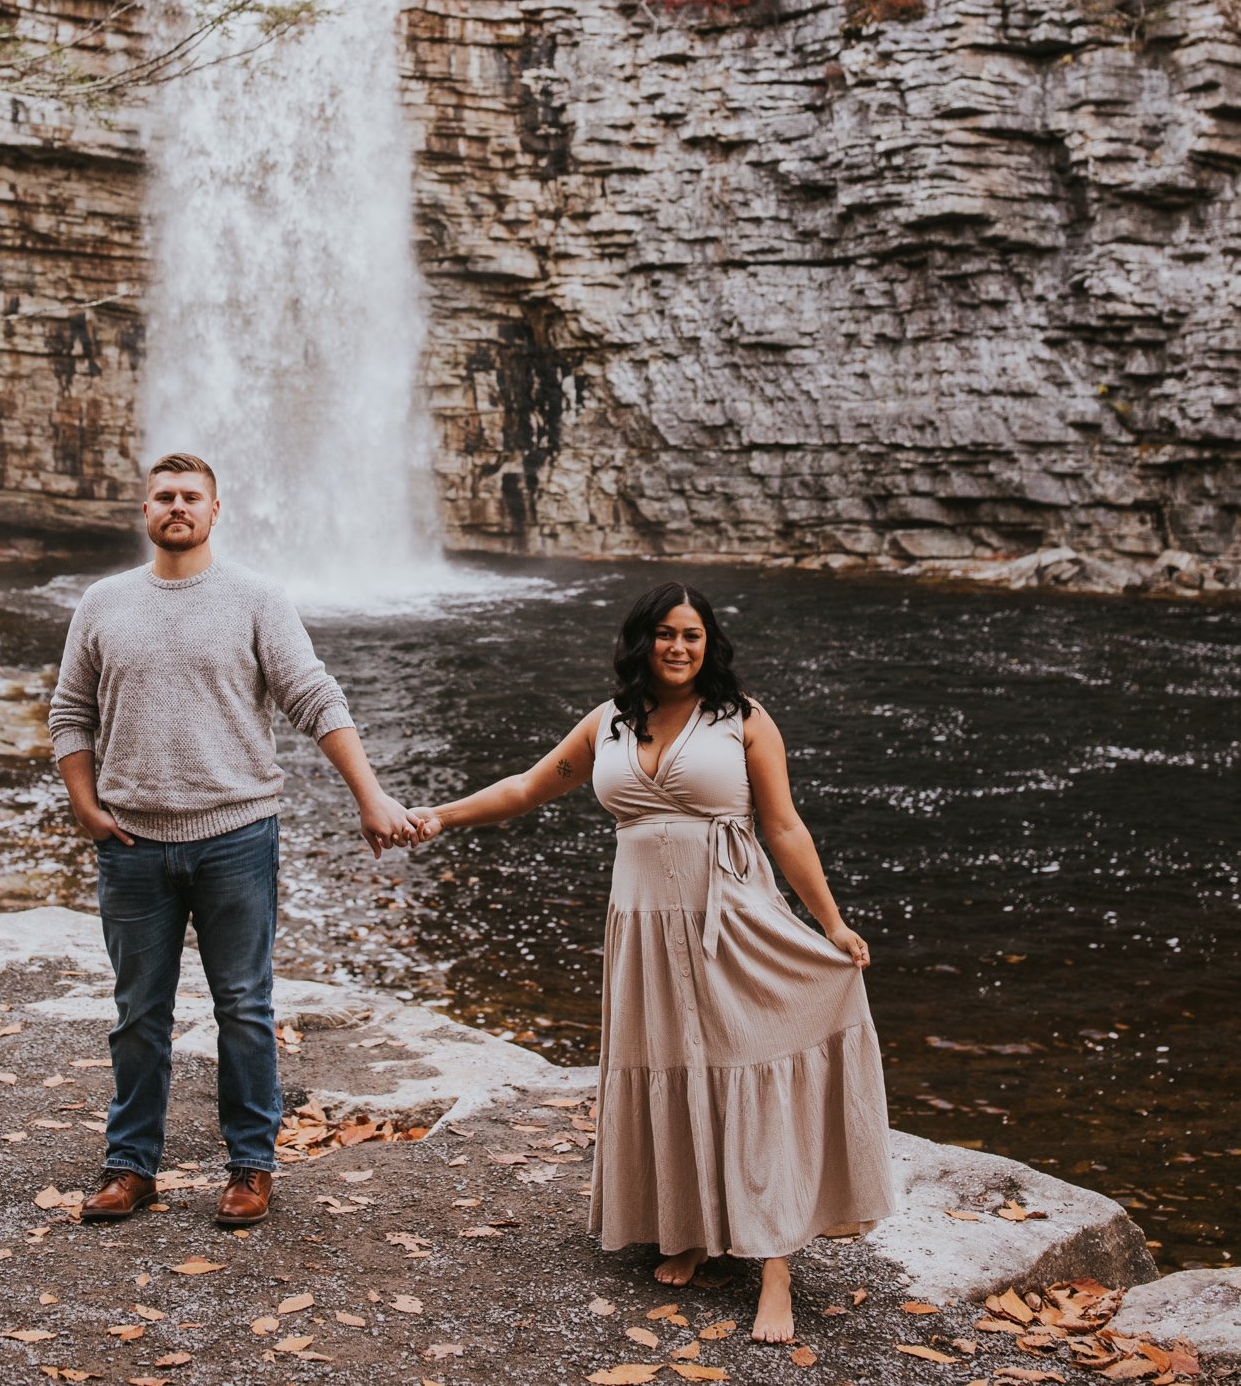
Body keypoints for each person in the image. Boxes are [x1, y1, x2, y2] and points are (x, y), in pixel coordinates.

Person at [407, 581, 896, 1343]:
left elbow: (786, 826)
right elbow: (528, 787)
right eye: (666, 633)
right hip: (642, 931)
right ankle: (694, 1225)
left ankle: (773, 1264)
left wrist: (829, 921)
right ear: (644, 641)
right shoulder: (608, 722)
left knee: (745, 1065)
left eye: (693, 635)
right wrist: (440, 815)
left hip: (731, 919)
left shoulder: (744, 719)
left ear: (710, 644)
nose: (678, 647)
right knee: (673, 1066)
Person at [48, 450, 416, 1230]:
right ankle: (130, 1167)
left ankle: (251, 1166)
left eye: (190, 496)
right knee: (137, 1011)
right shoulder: (104, 602)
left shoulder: (256, 597)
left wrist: (371, 794)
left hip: (236, 837)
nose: (176, 506)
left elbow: (314, 694)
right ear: (144, 511)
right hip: (133, 841)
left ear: (217, 511)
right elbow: (69, 712)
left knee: (244, 1006)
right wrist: (84, 805)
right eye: (163, 496)